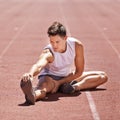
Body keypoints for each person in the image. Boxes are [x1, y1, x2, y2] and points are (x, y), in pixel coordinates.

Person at [20, 21, 108, 105]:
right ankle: (33, 96)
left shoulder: (77, 46)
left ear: (65, 38)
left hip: (67, 77)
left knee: (103, 76)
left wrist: (60, 83)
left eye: (57, 42)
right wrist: (30, 74)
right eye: (51, 42)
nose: (54, 45)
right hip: (50, 78)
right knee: (43, 88)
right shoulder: (48, 52)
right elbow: (38, 65)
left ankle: (74, 87)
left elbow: (79, 72)